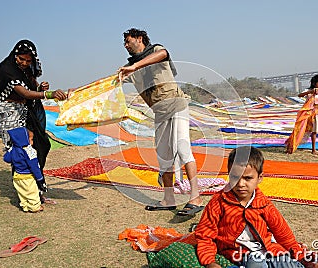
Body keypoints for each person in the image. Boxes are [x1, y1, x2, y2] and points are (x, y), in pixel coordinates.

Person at [117, 28, 204, 216]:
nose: (125, 46)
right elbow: (111, 82)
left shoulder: (156, 50)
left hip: (177, 105)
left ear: (139, 39)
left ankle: (195, 197)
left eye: (128, 41)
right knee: (164, 156)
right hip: (160, 112)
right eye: (124, 43)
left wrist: (135, 67)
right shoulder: (131, 68)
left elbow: (163, 54)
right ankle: (168, 198)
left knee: (182, 148)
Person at [195, 146, 306, 267]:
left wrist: (300, 256)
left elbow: (283, 234)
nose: (240, 184)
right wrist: (209, 262)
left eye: (247, 178)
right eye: (235, 177)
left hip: (270, 250)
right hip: (241, 254)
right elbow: (205, 235)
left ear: (260, 178)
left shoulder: (264, 204)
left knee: (289, 264)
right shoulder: (218, 202)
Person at [0, 39, 67, 203]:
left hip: (26, 113)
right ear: (15, 55)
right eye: (21, 59)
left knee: (39, 146)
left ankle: (36, 189)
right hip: (10, 117)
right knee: (21, 153)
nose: (25, 63)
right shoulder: (6, 70)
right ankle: (28, 195)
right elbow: (24, 94)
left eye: (28, 60)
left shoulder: (27, 71)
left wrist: (41, 89)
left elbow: (31, 90)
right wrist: (49, 95)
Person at [4, 127, 47, 213]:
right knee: (32, 193)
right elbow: (34, 166)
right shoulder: (29, 151)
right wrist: (40, 179)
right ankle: (35, 207)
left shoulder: (14, 149)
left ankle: (25, 206)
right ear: (24, 139)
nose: (32, 142)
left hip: (17, 176)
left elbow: (7, 159)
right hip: (28, 177)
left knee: (22, 193)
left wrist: (9, 150)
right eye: (31, 139)